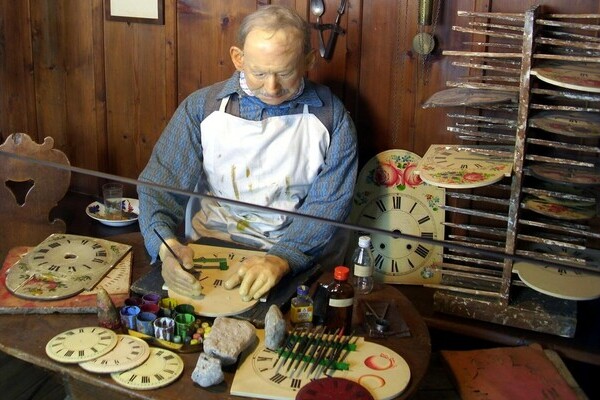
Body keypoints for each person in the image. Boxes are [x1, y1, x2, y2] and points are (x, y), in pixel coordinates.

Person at [137, 5, 357, 302]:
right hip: (212, 244)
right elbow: (160, 187)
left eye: (285, 72)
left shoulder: (333, 118)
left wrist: (280, 259)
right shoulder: (201, 108)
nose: (272, 87)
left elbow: (327, 207)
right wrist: (166, 247)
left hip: (295, 253)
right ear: (238, 59)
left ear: (307, 61)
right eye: (259, 72)